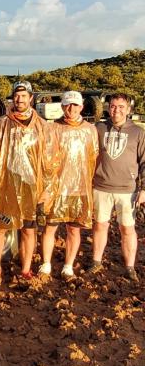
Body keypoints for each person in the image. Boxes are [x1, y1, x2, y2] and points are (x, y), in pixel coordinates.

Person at [0, 80, 54, 284]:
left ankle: (26, 269)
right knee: (0, 228)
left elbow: (50, 159)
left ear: (31, 98)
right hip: (5, 185)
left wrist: (47, 187)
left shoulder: (42, 126)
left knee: (29, 229)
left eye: (24, 96)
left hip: (31, 188)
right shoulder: (1, 124)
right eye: (16, 96)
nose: (19, 99)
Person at [39, 91, 98, 279]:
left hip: (79, 188)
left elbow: (93, 158)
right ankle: (46, 263)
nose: (71, 109)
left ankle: (68, 266)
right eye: (67, 105)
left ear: (81, 107)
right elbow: (46, 159)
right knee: (50, 227)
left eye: (75, 105)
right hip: (56, 189)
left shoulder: (90, 130)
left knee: (74, 229)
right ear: (62, 106)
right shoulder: (53, 128)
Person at [90, 93, 145, 282]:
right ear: (108, 108)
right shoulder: (99, 128)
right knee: (99, 225)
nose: (116, 110)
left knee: (127, 228)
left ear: (128, 109)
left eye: (121, 107)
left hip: (128, 190)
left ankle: (129, 267)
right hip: (101, 186)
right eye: (113, 106)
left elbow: (144, 161)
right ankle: (96, 262)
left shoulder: (138, 132)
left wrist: (143, 189)